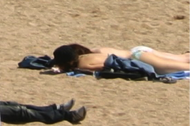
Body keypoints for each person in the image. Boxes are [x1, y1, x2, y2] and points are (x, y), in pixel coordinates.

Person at [51, 43, 190, 76]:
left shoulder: (83, 63)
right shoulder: (95, 51)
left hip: (139, 58)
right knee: (183, 58)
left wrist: (76, 69)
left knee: (183, 68)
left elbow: (102, 66)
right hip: (138, 50)